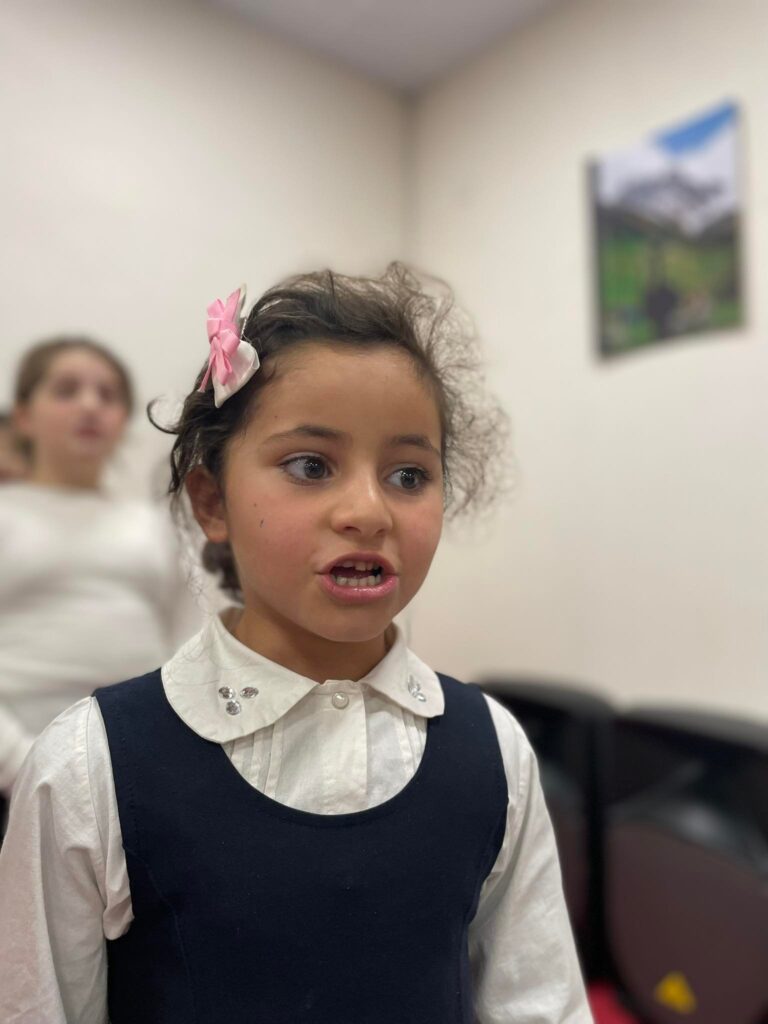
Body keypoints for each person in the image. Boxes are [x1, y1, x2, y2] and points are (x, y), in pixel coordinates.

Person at [0, 267, 593, 1023]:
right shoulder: (87, 768)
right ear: (212, 501)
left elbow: (538, 1000)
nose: (368, 511)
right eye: (311, 466)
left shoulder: (494, 750)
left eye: (408, 474)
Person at [0, 337, 196, 802]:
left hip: (135, 762)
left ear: (123, 421)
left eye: (107, 395)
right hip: (13, 771)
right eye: (66, 390)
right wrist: (19, 763)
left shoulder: (156, 526)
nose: (90, 405)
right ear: (24, 416)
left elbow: (186, 640)